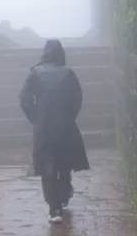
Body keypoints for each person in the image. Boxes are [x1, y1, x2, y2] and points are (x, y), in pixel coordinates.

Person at [19, 39, 90, 223]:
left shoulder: (35, 73)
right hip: (65, 125)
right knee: (64, 162)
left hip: (44, 127)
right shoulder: (68, 73)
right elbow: (77, 99)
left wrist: (37, 119)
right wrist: (69, 116)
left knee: (47, 165)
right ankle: (64, 193)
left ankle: (54, 208)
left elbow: (25, 100)